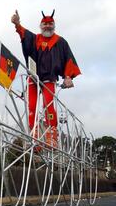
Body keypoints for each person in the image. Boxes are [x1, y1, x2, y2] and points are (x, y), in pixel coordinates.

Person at [11, 9, 81, 148]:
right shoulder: (35, 38)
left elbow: (68, 59)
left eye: (50, 24)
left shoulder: (60, 42)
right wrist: (17, 24)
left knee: (49, 107)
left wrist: (68, 77)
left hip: (49, 78)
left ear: (53, 25)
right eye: (45, 24)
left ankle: (52, 136)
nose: (47, 26)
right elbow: (24, 34)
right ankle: (33, 136)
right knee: (31, 107)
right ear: (41, 25)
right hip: (33, 76)